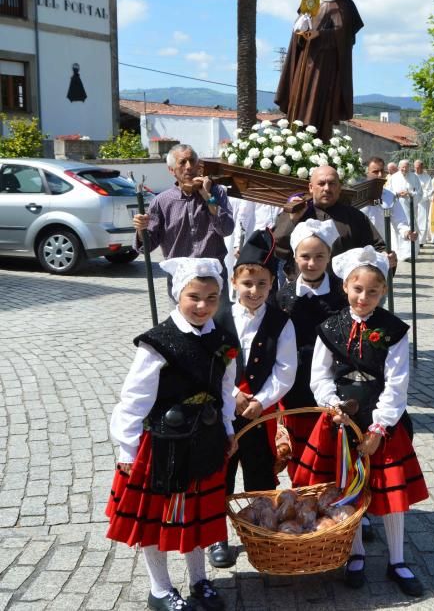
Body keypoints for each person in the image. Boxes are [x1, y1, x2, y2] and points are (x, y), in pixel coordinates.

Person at [292, 246, 428, 597]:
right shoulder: (330, 327)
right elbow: (319, 376)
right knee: (344, 486)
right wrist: (332, 405)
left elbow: (397, 383)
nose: (364, 297)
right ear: (345, 288)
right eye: (357, 289)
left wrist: (380, 428)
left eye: (373, 290)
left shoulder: (393, 330)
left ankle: (397, 560)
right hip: (340, 418)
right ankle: (355, 554)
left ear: (384, 290)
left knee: (390, 491)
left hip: (381, 417)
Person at [106, 257, 238, 611]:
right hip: (164, 443)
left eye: (212, 298)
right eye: (194, 296)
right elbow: (135, 397)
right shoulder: (158, 342)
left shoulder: (223, 340)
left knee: (196, 515)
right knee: (159, 518)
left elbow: (227, 390)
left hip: (206, 440)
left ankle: (198, 580)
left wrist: (228, 428)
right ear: (178, 294)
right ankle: (160, 589)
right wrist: (127, 449)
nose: (202, 305)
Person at [207, 229, 298, 568]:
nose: (254, 291)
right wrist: (232, 395)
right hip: (225, 412)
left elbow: (286, 369)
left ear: (272, 283)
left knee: (259, 474)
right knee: (222, 473)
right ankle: (218, 536)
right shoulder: (217, 318)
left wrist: (261, 400)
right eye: (247, 284)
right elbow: (210, 363)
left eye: (262, 284)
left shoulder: (280, 322)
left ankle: (262, 530)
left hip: (260, 412)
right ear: (233, 282)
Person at [275, 219, 345, 481]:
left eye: (319, 256)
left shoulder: (341, 292)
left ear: (329, 256)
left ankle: (337, 496)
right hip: (296, 381)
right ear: (295, 257)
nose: (312, 263)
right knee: (300, 444)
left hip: (332, 378)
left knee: (332, 443)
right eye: (305, 256)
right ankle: (301, 492)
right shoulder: (284, 295)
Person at [133, 145, 235, 302]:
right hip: (180, 278)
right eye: (182, 162)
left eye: (192, 161)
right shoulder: (161, 201)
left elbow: (226, 229)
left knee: (218, 325)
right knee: (182, 326)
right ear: (172, 170)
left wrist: (207, 196)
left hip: (212, 275)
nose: (189, 167)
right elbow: (147, 246)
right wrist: (141, 230)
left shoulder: (216, 192)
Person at [275, 0, 363, 142]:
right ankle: (294, 137)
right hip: (306, 58)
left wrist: (320, 34)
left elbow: (344, 34)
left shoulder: (344, 4)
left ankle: (317, 138)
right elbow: (300, 24)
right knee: (300, 96)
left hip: (327, 63)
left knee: (319, 99)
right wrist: (302, 31)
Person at [272, 166, 386, 277]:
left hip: (342, 290)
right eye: (321, 184)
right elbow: (277, 247)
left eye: (332, 183)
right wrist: (292, 220)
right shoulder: (297, 212)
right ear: (311, 187)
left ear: (339, 187)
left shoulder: (354, 216)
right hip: (302, 288)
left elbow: (377, 247)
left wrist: (384, 256)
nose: (326, 188)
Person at [387, 159, 422, 260]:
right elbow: (388, 192)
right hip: (397, 207)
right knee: (398, 229)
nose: (404, 169)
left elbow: (420, 193)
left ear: (409, 167)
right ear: (399, 167)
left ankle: (410, 254)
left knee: (410, 227)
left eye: (406, 167)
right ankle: (398, 254)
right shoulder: (393, 178)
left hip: (409, 208)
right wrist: (397, 194)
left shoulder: (414, 177)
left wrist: (410, 194)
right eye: (402, 167)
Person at [413, 160, 432, 245]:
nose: (417, 169)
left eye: (419, 167)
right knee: (414, 220)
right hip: (413, 202)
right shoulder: (412, 176)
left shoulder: (427, 177)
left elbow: (429, 190)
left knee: (422, 221)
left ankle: (421, 241)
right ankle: (414, 238)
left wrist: (421, 198)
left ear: (422, 167)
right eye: (415, 167)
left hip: (423, 202)